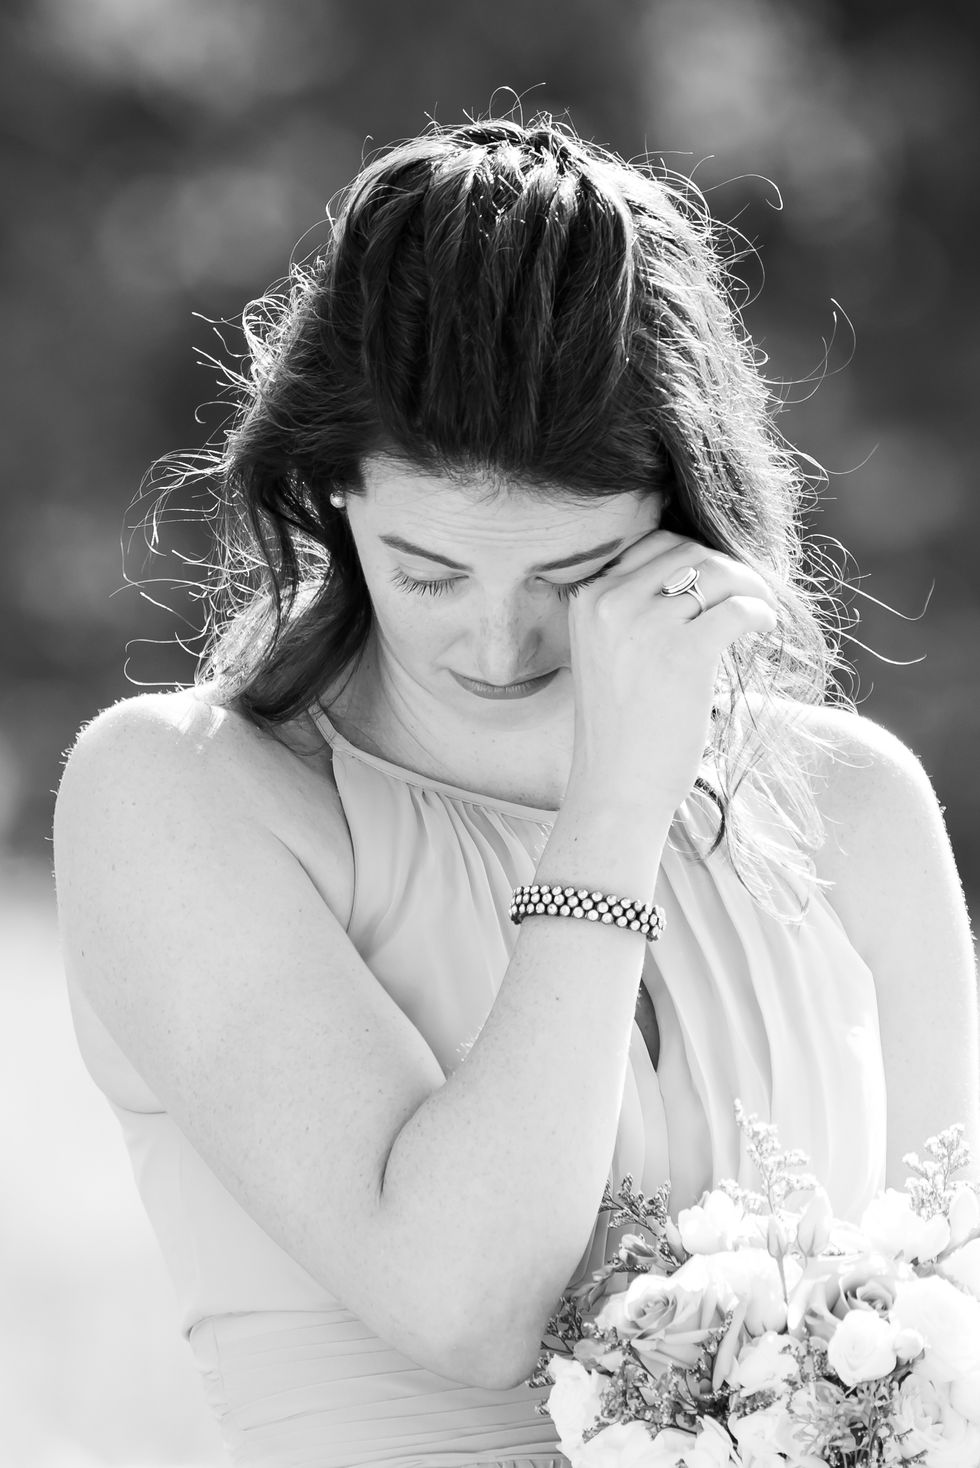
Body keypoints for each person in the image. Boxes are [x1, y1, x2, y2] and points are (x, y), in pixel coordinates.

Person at [53, 114, 979, 1468]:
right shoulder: (179, 793)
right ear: (330, 491)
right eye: (429, 573)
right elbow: (468, 1306)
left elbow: (948, 1347)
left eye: (569, 576)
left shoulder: (854, 809)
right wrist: (616, 808)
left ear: (680, 516)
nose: (497, 646)